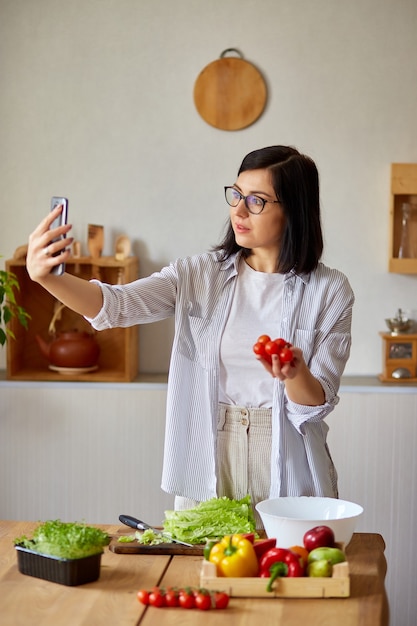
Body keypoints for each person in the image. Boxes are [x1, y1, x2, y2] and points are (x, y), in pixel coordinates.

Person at [26, 145, 354, 528]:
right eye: (236, 194)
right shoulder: (197, 275)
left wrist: (295, 372)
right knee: (204, 575)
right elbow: (117, 306)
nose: (238, 210)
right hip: (211, 449)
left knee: (286, 577)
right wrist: (48, 277)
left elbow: (313, 406)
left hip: (287, 455)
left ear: (293, 209)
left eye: (256, 201)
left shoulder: (330, 290)